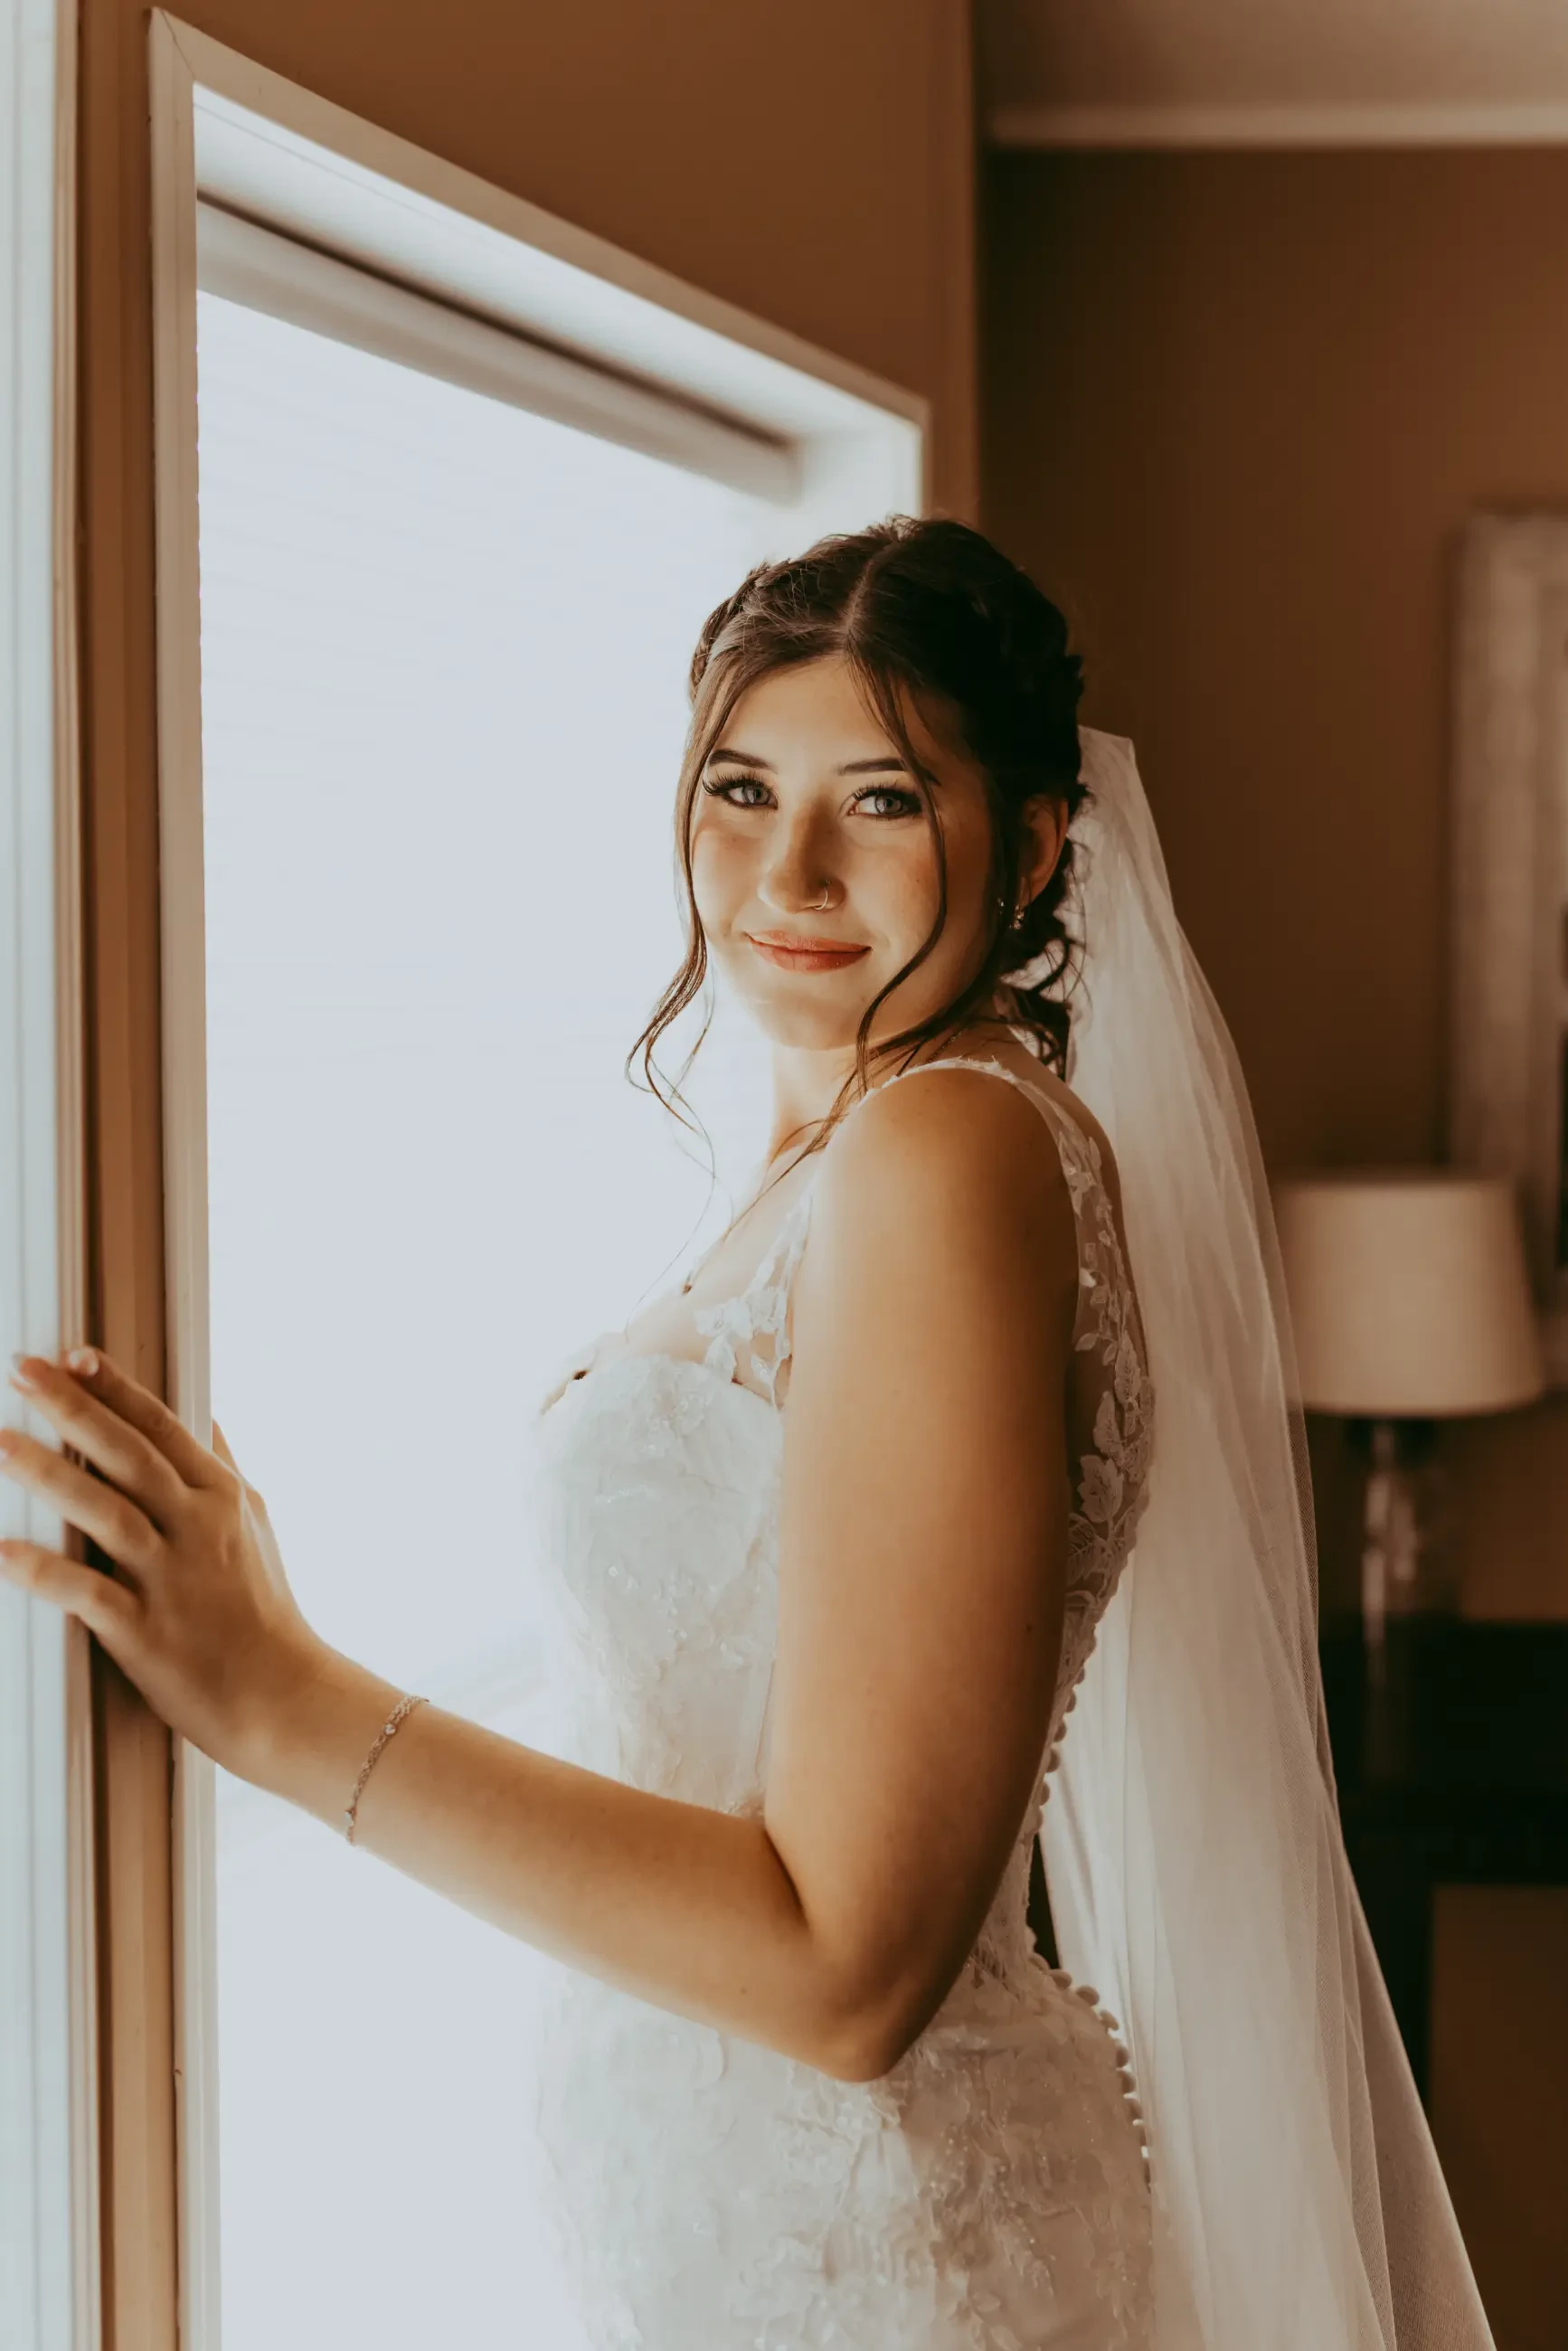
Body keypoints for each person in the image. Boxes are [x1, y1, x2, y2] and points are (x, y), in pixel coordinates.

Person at [0, 518, 1493, 2349]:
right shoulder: (811, 1171)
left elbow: (853, 1964)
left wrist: (288, 1697)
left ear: (1028, 844)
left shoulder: (946, 1159)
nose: (785, 868)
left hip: (881, 2262)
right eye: (737, 787)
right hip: (753, 2239)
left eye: (878, 798)